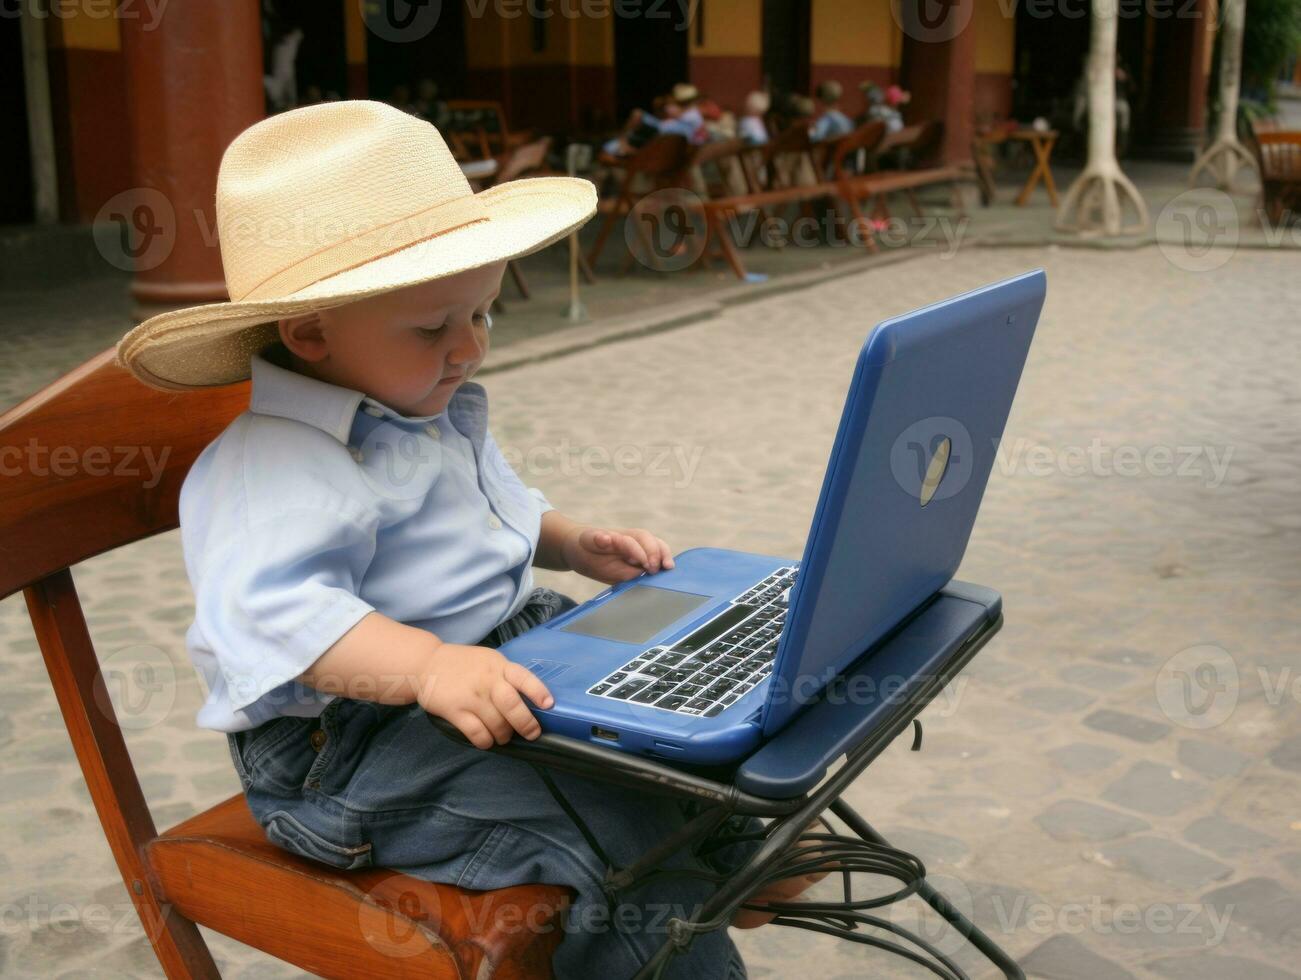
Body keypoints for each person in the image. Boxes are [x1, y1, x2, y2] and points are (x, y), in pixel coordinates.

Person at [114, 100, 828, 979]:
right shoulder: (274, 465)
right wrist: (425, 667)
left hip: (498, 661)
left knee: (678, 724)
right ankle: (680, 929)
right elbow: (280, 621)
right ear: (307, 333)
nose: (469, 349)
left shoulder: (415, 403)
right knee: (613, 831)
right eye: (434, 328)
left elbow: (490, 509)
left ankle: (736, 848)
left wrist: (568, 540)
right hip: (350, 755)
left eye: (483, 315)